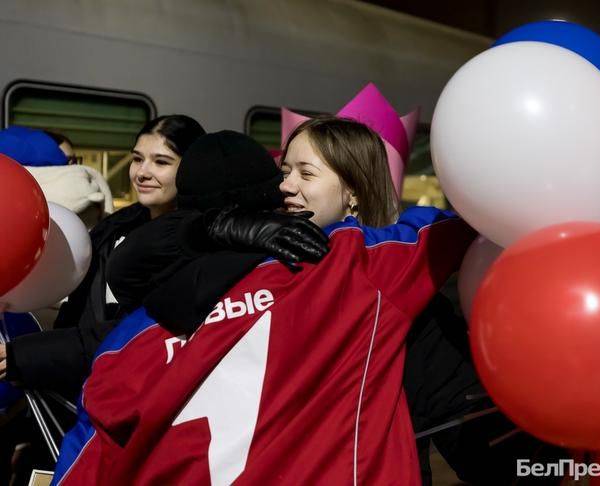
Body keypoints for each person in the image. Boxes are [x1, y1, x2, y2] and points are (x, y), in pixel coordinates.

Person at [53, 116, 475, 485]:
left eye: (305, 174)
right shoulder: (351, 266)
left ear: (353, 191)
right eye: (284, 170)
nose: (285, 186)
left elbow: (461, 428)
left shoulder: (367, 270)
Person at [0, 116, 327, 399]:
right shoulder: (111, 231)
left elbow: (134, 334)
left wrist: (27, 356)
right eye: (137, 158)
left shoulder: (249, 256)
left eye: (161, 161)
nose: (142, 172)